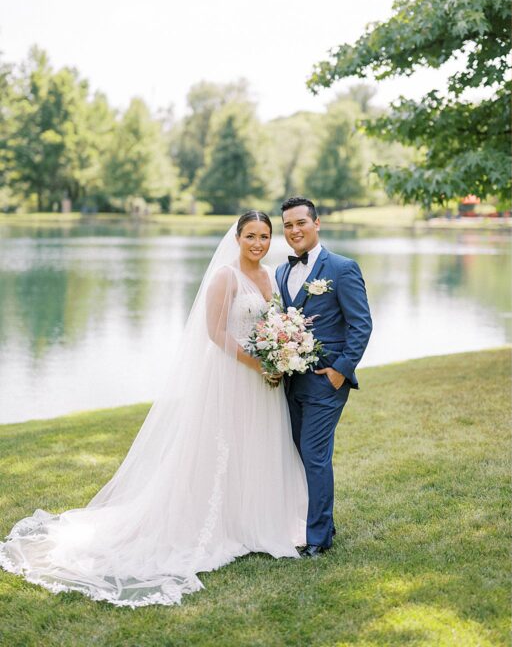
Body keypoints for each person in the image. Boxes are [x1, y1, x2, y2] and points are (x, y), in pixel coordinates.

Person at [0, 211, 307, 607]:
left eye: (265, 236)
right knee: (222, 445)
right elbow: (215, 333)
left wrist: (280, 355)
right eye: (251, 235)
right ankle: (218, 523)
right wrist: (258, 363)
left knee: (257, 445)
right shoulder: (225, 277)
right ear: (237, 237)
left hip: (264, 382)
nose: (258, 243)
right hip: (233, 377)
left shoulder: (271, 275)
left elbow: (273, 325)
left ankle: (255, 519)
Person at [275, 196, 372, 558]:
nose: (294, 230)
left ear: (317, 224)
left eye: (301, 222)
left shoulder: (342, 268)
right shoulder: (281, 273)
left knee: (315, 455)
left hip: (326, 381)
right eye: (287, 225)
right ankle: (317, 521)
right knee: (298, 453)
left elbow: (361, 325)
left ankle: (318, 539)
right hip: (290, 382)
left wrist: (340, 371)